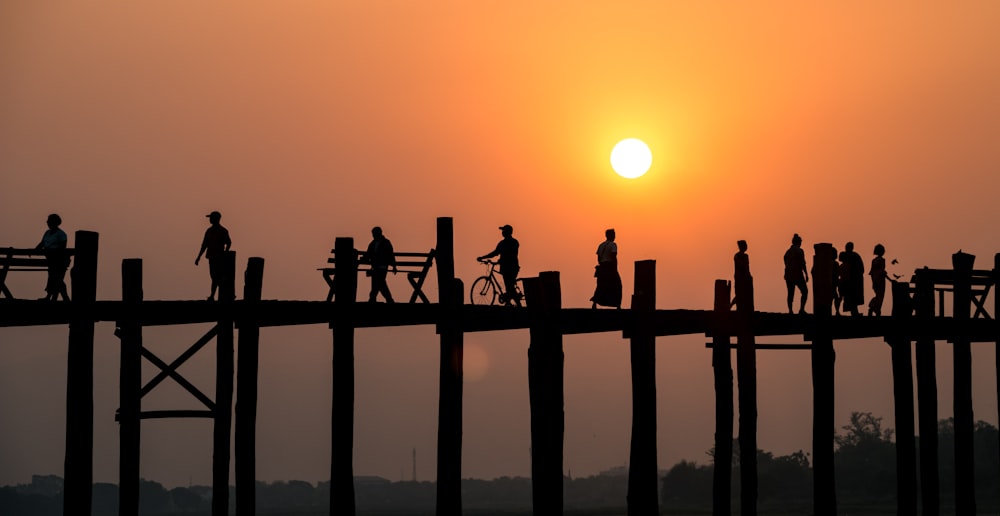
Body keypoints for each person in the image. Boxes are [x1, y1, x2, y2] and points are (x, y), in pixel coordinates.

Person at [478, 224, 520, 306]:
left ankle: (518, 304)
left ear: (508, 232)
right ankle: (508, 302)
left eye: (504, 231)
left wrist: (483, 258)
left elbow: (509, 254)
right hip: (509, 267)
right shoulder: (509, 242)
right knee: (509, 286)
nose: (502, 232)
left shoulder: (508, 243)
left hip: (509, 267)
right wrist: (484, 257)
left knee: (509, 286)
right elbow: (495, 253)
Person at [195, 211, 232, 301]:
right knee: (214, 276)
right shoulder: (209, 231)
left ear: (216, 219)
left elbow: (229, 242)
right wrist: (198, 257)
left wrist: (225, 253)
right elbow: (204, 245)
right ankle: (219, 294)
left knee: (216, 277)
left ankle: (213, 295)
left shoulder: (223, 231)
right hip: (211, 257)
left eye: (211, 218)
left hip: (219, 257)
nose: (210, 219)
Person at [36, 213, 70, 301]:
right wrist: (34, 251)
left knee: (56, 279)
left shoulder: (61, 234)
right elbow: (42, 244)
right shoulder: (47, 233)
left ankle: (57, 298)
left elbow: (63, 248)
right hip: (50, 260)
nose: (47, 222)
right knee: (54, 278)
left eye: (49, 221)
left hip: (59, 260)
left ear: (55, 222)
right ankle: (57, 298)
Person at [361, 226, 397, 303]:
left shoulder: (386, 243)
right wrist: (363, 259)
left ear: (379, 233)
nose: (373, 235)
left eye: (374, 234)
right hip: (375, 267)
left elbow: (390, 254)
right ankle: (385, 299)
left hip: (382, 267)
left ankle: (376, 299)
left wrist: (394, 266)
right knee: (379, 284)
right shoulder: (373, 243)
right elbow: (368, 254)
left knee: (379, 283)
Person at [590, 228, 622, 309]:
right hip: (610, 267)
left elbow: (598, 258)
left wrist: (602, 265)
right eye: (614, 235)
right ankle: (618, 305)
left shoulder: (601, 245)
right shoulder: (613, 245)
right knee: (617, 285)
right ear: (611, 235)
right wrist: (614, 268)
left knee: (600, 285)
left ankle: (594, 303)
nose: (615, 236)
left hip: (602, 267)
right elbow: (614, 256)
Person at [783, 233, 809, 314]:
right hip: (797, 274)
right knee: (805, 291)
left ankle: (790, 310)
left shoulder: (787, 252)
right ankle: (801, 309)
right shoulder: (799, 251)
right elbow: (802, 263)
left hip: (788, 274)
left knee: (790, 293)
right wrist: (806, 274)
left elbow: (785, 262)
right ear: (798, 242)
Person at [842, 241, 865, 316]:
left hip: (853, 279)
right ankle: (854, 312)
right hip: (851, 280)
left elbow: (860, 269)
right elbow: (861, 269)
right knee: (852, 297)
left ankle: (854, 312)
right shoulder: (854, 256)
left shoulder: (852, 256)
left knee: (853, 297)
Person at [868, 243, 888, 316]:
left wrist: (873, 281)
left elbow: (871, 273)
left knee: (878, 295)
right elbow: (882, 272)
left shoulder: (873, 261)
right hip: (881, 280)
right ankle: (875, 308)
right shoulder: (882, 260)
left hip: (875, 280)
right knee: (880, 296)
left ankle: (874, 308)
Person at [731, 240, 751, 309]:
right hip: (740, 278)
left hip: (744, 278)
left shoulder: (745, 256)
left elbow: (747, 268)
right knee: (739, 295)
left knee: (744, 294)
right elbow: (742, 266)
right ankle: (731, 305)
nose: (746, 247)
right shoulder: (737, 256)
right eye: (745, 245)